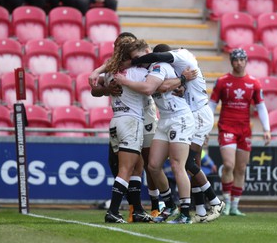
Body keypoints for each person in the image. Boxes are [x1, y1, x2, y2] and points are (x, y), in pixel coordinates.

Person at [130, 44, 225, 223]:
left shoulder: (178, 58)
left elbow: (158, 84)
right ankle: (198, 209)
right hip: (180, 115)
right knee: (162, 165)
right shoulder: (169, 68)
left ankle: (206, 204)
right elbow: (163, 85)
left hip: (193, 114)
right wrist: (180, 80)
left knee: (185, 163)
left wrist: (135, 62)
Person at [115, 39, 196, 224]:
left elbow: (149, 88)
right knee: (152, 165)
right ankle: (169, 204)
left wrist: (126, 81)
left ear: (148, 51)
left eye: (138, 57)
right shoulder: (149, 70)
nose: (137, 61)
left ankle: (185, 212)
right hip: (165, 119)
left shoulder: (160, 66)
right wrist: (179, 81)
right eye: (133, 59)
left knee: (177, 165)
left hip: (179, 117)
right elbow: (158, 87)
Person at [90, 32, 162, 221]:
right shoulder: (140, 72)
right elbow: (156, 85)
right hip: (132, 121)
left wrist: (99, 74)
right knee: (127, 169)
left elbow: (95, 89)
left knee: (137, 167)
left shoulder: (110, 72)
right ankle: (113, 211)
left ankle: (137, 209)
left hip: (116, 121)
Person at [209, 48, 271, 216]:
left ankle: (235, 206)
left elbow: (261, 107)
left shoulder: (254, 83)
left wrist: (267, 129)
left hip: (244, 130)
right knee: (228, 165)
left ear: (246, 61)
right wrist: (206, 128)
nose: (239, 62)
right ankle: (227, 203)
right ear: (231, 61)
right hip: (227, 127)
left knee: (241, 168)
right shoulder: (222, 81)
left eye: (242, 59)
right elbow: (212, 105)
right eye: (236, 60)